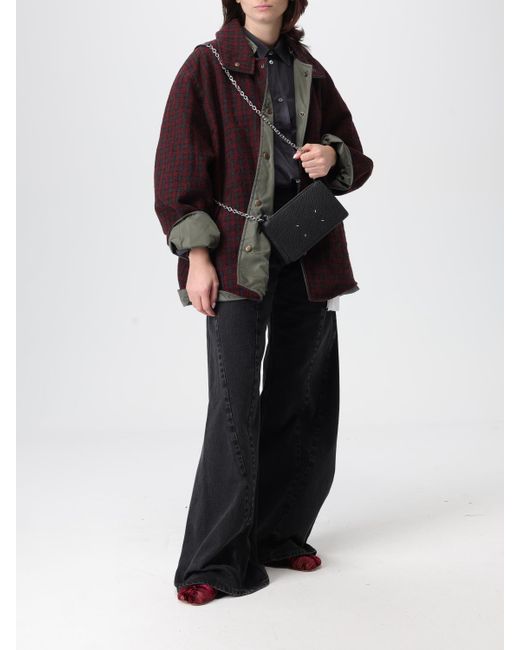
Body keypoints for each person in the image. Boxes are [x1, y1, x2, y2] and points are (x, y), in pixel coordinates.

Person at [154, 0, 374, 606]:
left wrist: (331, 156)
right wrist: (197, 257)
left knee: (301, 393)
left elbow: (356, 158)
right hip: (234, 256)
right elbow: (177, 167)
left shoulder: (309, 69)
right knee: (233, 405)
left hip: (309, 250)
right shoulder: (205, 66)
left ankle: (278, 533)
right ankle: (213, 561)